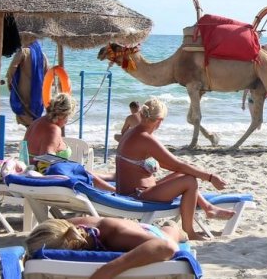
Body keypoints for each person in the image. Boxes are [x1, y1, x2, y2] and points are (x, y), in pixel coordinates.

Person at [115, 97, 235, 240]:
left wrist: (196, 172)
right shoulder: (145, 138)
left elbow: (171, 164)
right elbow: (176, 165)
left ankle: (207, 208)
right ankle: (189, 231)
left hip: (133, 192)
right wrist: (210, 177)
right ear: (160, 121)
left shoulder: (132, 132)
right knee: (190, 181)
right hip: (137, 196)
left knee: (186, 173)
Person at [24, 217, 187, 279]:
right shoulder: (63, 228)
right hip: (130, 230)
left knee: (170, 234)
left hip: (150, 234)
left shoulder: (112, 234)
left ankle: (173, 227)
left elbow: (168, 247)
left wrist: (110, 269)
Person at [23, 93, 115, 191]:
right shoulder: (53, 129)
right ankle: (114, 191)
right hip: (45, 176)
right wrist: (68, 164)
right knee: (79, 171)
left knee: (82, 171)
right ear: (64, 114)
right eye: (68, 117)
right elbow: (45, 158)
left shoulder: (37, 122)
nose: (67, 121)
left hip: (29, 169)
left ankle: (110, 177)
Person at [5, 39, 49, 127]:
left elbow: (12, 68)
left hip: (23, 90)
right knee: (33, 120)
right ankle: (31, 139)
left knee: (25, 118)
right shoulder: (42, 55)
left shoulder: (23, 51)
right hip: (38, 93)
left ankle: (26, 140)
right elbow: (48, 73)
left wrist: (10, 83)